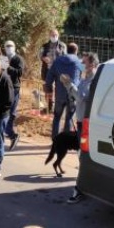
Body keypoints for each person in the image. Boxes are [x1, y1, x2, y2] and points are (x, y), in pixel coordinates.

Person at [61, 52, 99, 204]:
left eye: (84, 62)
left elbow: (81, 97)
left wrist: (68, 84)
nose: (81, 64)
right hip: (82, 121)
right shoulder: (86, 77)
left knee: (83, 155)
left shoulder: (92, 80)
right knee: (82, 154)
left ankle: (80, 188)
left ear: (92, 64)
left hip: (86, 123)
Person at [45, 43, 82, 139]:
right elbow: (84, 78)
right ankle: (65, 141)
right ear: (76, 51)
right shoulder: (79, 62)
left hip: (59, 94)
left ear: (67, 50)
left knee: (57, 117)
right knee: (69, 117)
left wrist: (48, 89)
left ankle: (55, 139)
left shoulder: (58, 61)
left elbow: (49, 77)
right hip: (72, 94)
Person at [3, 40, 25, 150]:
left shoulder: (18, 59)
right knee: (2, 114)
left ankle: (13, 135)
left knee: (10, 113)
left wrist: (9, 68)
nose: (9, 48)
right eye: (7, 46)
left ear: (15, 47)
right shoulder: (3, 58)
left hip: (14, 89)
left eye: (11, 46)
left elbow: (20, 72)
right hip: (3, 88)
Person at [40, 29, 66, 114]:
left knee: (58, 89)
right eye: (52, 35)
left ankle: (57, 108)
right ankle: (49, 106)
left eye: (55, 35)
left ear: (58, 35)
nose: (54, 37)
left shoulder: (62, 46)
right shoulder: (44, 46)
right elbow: (39, 55)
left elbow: (66, 57)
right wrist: (44, 58)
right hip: (47, 70)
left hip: (59, 71)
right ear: (49, 35)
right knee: (48, 88)